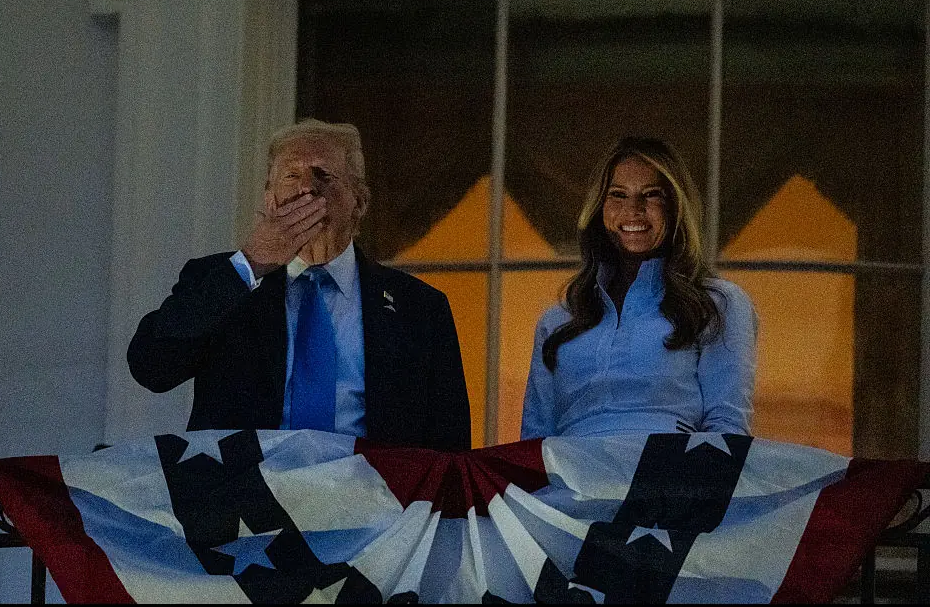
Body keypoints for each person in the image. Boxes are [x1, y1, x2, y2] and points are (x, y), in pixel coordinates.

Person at [128, 119, 471, 451]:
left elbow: (450, 449)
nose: (307, 188)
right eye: (292, 175)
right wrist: (250, 264)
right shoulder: (222, 277)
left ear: (359, 202)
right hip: (247, 499)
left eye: (324, 175)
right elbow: (152, 367)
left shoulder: (420, 308)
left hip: (373, 500)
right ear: (270, 200)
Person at [521, 137, 757, 439]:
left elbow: (728, 431)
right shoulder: (556, 321)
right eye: (617, 195)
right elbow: (532, 445)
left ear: (675, 208)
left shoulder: (717, 303)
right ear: (598, 209)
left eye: (652, 194)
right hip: (570, 482)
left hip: (671, 479)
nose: (633, 209)